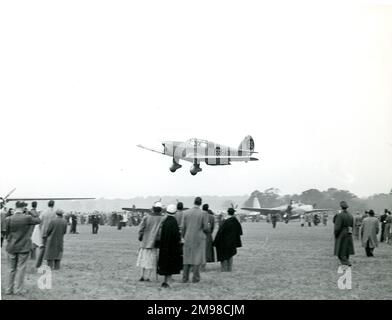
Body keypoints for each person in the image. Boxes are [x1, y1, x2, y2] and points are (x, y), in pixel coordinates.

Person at [4, 201, 40, 295]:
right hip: (23, 247)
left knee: (11, 269)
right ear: (24, 208)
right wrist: (32, 211)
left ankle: (8, 289)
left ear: (15, 207)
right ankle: (18, 289)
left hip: (11, 246)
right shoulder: (27, 218)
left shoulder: (9, 218)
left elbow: (6, 233)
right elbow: (38, 220)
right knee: (21, 269)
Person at [181, 197, 209, 283]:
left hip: (188, 237)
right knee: (197, 258)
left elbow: (183, 227)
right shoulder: (204, 213)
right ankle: (195, 278)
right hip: (198, 238)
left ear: (194, 202)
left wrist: (183, 237)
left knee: (186, 258)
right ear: (200, 203)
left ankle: (185, 278)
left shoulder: (185, 212)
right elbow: (205, 227)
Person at [157, 204, 182, 288]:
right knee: (170, 265)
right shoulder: (174, 222)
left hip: (164, 247)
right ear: (174, 212)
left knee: (165, 264)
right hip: (172, 247)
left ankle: (165, 281)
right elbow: (176, 236)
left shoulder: (165, 221)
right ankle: (168, 281)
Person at [136, 201, 163, 281]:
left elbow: (141, 228)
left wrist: (140, 236)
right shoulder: (162, 218)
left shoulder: (146, 217)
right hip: (154, 242)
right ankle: (148, 277)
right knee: (151, 260)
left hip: (145, 241)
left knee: (143, 259)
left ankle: (142, 275)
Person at [213, 207, 243, 272]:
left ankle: (224, 269)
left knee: (224, 255)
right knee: (230, 254)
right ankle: (229, 269)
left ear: (227, 212)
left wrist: (215, 242)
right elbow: (240, 232)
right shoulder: (236, 221)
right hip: (232, 241)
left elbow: (220, 232)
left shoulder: (225, 222)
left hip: (224, 241)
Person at [35, 200, 56, 269]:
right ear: (53, 205)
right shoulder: (54, 213)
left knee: (42, 248)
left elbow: (39, 221)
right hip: (51, 233)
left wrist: (41, 229)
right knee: (51, 249)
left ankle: (38, 264)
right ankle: (49, 265)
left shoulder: (43, 212)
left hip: (43, 232)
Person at [334, 201, 354, 267]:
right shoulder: (350, 215)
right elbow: (352, 225)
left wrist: (336, 233)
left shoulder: (340, 215)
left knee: (340, 249)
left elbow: (337, 226)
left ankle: (346, 262)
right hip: (349, 232)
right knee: (346, 249)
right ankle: (346, 260)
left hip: (342, 232)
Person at [201, 204, 215, 271]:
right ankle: (204, 266)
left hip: (200, 235)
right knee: (207, 252)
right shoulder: (211, 217)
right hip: (208, 235)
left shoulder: (200, 215)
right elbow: (212, 228)